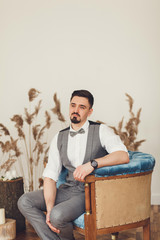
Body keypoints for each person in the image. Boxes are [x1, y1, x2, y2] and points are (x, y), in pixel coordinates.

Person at [18, 89, 129, 240]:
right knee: (25, 201)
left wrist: (93, 163)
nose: (76, 110)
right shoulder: (59, 137)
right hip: (67, 189)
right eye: (73, 105)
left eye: (82, 107)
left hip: (89, 192)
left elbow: (123, 155)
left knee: (58, 215)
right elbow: (50, 176)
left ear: (90, 112)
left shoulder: (101, 130)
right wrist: (49, 210)